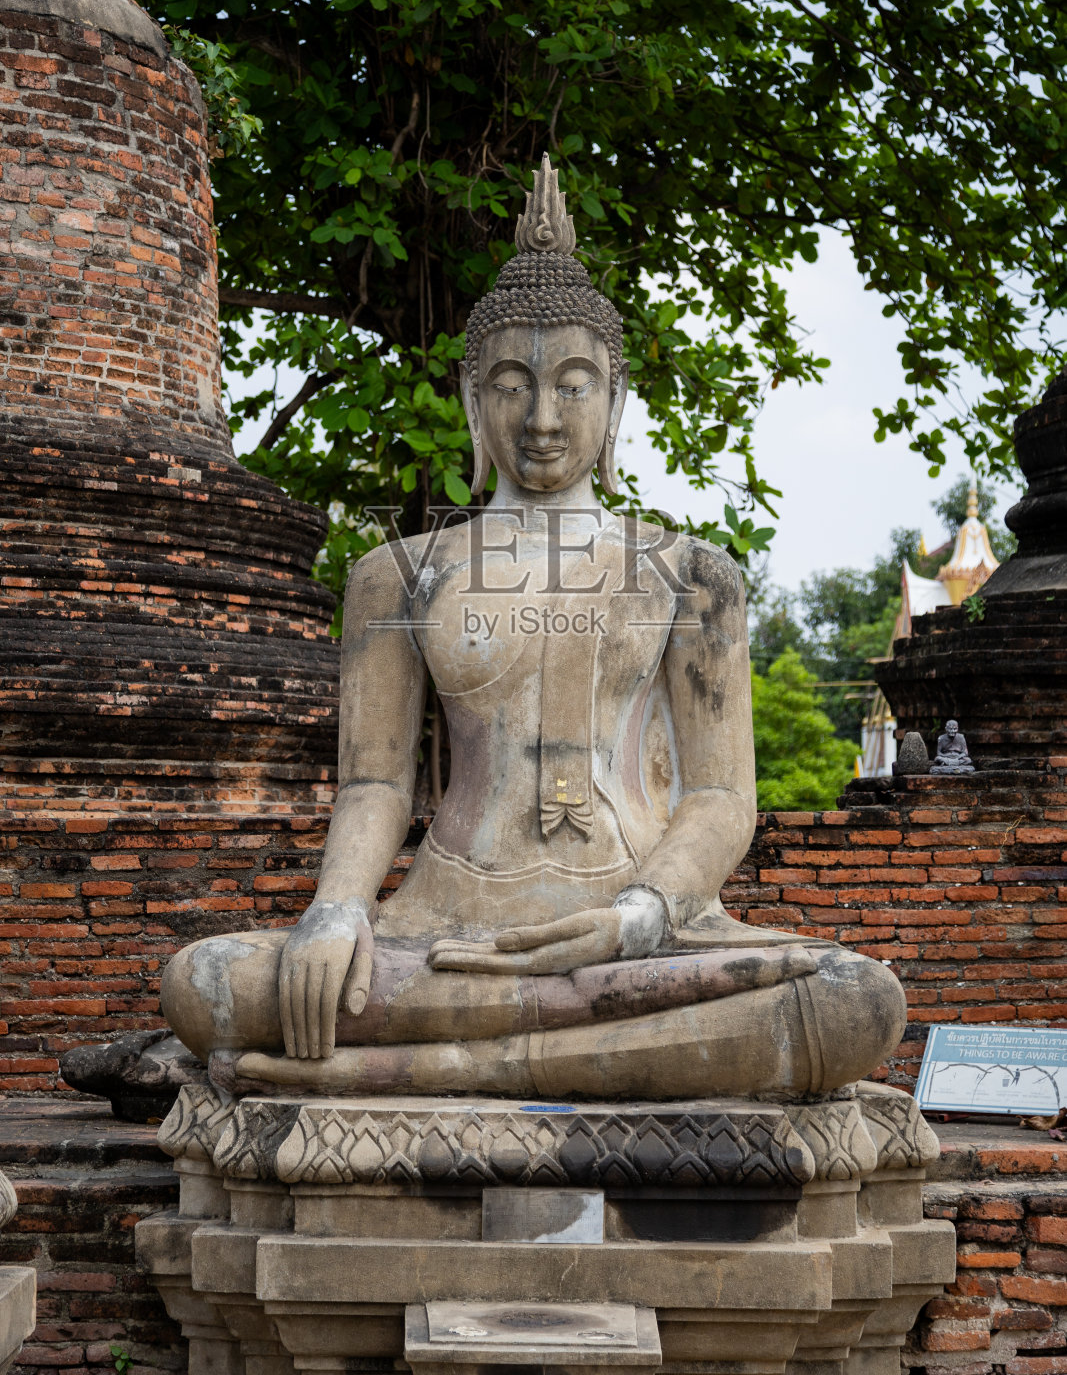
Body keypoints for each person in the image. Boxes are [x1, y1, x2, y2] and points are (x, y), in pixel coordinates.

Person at [162, 157, 906, 1101]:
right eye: (513, 384)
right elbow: (376, 782)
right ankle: (536, 1062)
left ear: (617, 399)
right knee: (209, 985)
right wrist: (336, 911)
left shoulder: (692, 573)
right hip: (442, 929)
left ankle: (427, 1071)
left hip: (634, 939)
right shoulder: (398, 574)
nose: (543, 417)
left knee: (855, 999)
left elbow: (721, 799)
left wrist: (636, 920)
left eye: (575, 384)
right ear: (475, 401)